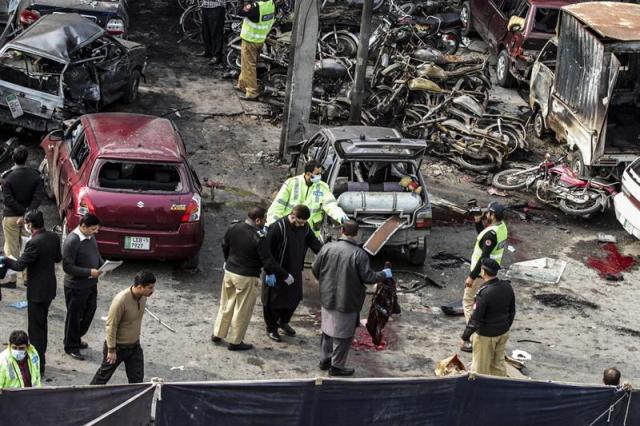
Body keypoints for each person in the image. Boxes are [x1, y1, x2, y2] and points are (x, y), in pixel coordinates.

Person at [312, 220, 391, 376]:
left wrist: (326, 283)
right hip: (347, 301)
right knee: (344, 336)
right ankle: (336, 366)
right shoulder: (359, 254)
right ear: (356, 234)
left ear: (342, 231)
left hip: (327, 297)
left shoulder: (327, 248)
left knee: (327, 331)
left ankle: (324, 360)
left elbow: (315, 270)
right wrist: (383, 274)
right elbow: (368, 277)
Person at [212, 207, 293, 351]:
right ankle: (235, 342)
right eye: (264, 219)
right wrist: (284, 275)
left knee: (226, 304)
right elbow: (268, 261)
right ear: (257, 220)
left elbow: (225, 244)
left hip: (230, 272)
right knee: (242, 310)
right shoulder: (259, 236)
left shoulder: (234, 227)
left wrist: (227, 260)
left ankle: (218, 333)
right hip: (246, 276)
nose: (266, 222)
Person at [2, 210, 61, 374]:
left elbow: (19, 265)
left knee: (36, 331)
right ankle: (41, 359)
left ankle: (38, 365)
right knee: (42, 326)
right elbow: (57, 258)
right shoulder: (53, 237)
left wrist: (6, 260)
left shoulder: (33, 243)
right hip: (49, 288)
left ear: (30, 225)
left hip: (37, 292)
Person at [262, 204, 322, 342]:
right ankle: (271, 328)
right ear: (293, 216)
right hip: (276, 271)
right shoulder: (277, 228)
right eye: (300, 222)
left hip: (294, 269)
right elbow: (266, 253)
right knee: (272, 302)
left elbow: (314, 243)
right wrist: (269, 271)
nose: (302, 225)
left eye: (304, 223)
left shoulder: (305, 227)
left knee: (294, 299)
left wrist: (327, 253)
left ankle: (283, 322)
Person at [90, 272, 156, 385]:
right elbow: (111, 326)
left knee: (137, 381)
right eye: (150, 288)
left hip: (134, 347)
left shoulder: (143, 297)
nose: (153, 290)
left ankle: (135, 401)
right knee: (101, 379)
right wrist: (111, 350)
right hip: (117, 348)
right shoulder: (121, 301)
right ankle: (86, 399)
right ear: (140, 287)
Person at [461, 201, 508, 352]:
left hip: (482, 273)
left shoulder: (491, 233)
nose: (486, 214)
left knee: (468, 302)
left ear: (493, 215)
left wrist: (471, 276)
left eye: (488, 213)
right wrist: (477, 222)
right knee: (478, 302)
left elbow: (483, 256)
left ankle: (473, 337)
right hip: (491, 272)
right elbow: (485, 242)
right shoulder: (501, 228)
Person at [461, 258, 515, 377]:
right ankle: (498, 388)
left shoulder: (484, 293)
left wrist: (465, 337)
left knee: (479, 370)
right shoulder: (507, 286)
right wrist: (504, 326)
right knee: (498, 365)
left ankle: (479, 392)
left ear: (483, 272)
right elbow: (512, 311)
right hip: (503, 331)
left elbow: (475, 320)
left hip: (486, 336)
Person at [267, 160, 349, 238]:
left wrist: (342, 217)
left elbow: (331, 205)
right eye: (317, 174)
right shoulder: (291, 183)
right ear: (308, 174)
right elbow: (277, 206)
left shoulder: (322, 187)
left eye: (321, 173)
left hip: (309, 232)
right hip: (290, 227)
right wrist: (271, 225)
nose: (320, 176)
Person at [62, 213, 104, 360]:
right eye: (93, 229)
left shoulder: (90, 237)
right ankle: (71, 345)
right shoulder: (72, 241)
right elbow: (67, 267)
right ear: (83, 226)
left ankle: (75, 338)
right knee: (74, 316)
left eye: (96, 229)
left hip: (91, 284)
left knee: (89, 312)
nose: (95, 232)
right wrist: (89, 272)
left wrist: (103, 265)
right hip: (76, 286)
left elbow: (96, 254)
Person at [1, 145, 44, 288]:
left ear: (13, 158)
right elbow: (38, 198)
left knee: (11, 248)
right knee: (28, 248)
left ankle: (11, 279)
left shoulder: (7, 176)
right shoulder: (36, 175)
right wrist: (27, 214)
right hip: (31, 219)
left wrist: (20, 212)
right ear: (27, 158)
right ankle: (28, 278)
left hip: (11, 216)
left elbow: (8, 199)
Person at [236, 0, 275, 99]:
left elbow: (240, 11)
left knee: (249, 66)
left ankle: (252, 91)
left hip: (250, 40)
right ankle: (242, 84)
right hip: (260, 39)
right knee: (246, 64)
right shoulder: (271, 3)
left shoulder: (256, 7)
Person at [198, 0, 227, 66]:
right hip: (206, 6)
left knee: (216, 32)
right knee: (206, 31)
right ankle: (208, 51)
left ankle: (217, 56)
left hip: (216, 7)